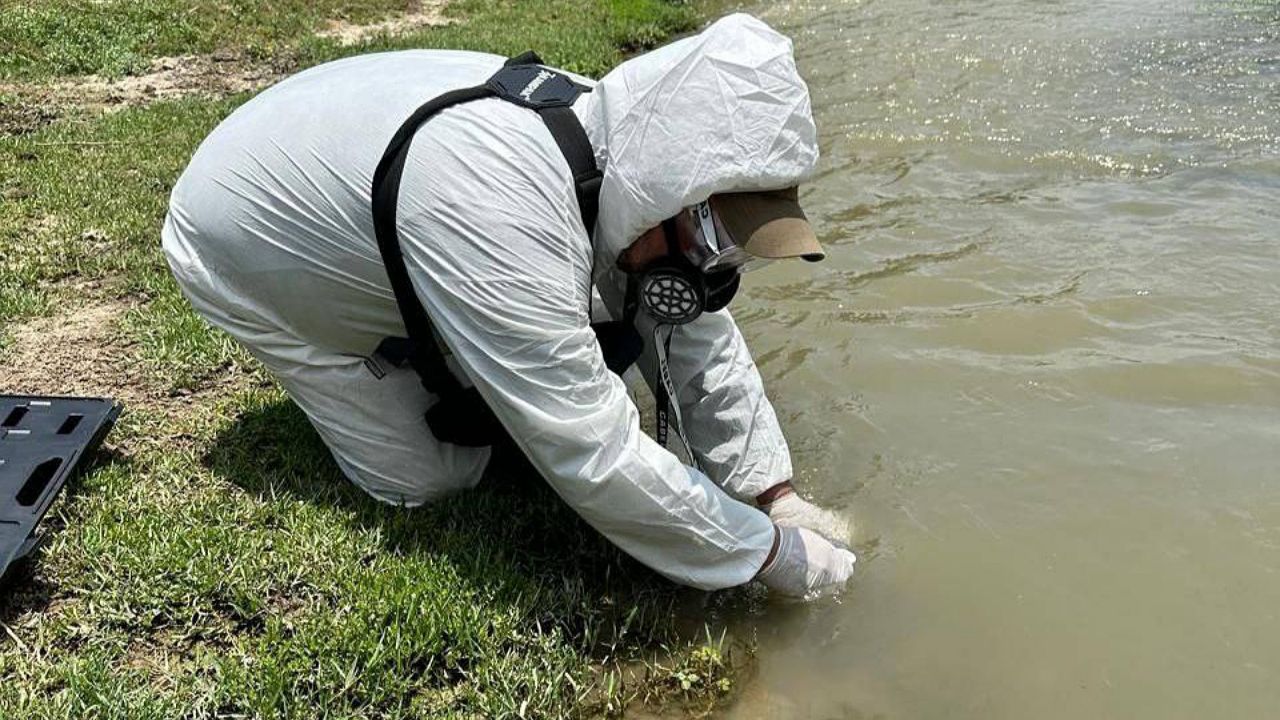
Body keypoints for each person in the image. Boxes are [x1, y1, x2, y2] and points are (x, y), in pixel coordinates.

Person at [161, 13, 855, 599]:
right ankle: (374, 354)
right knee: (429, 481)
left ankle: (452, 347)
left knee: (546, 349)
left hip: (349, 139)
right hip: (236, 239)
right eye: (711, 236)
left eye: (734, 252)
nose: (711, 270)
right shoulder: (498, 210)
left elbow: (695, 335)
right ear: (669, 186)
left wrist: (774, 495)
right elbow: (592, 452)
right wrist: (769, 556)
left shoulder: (627, 139)